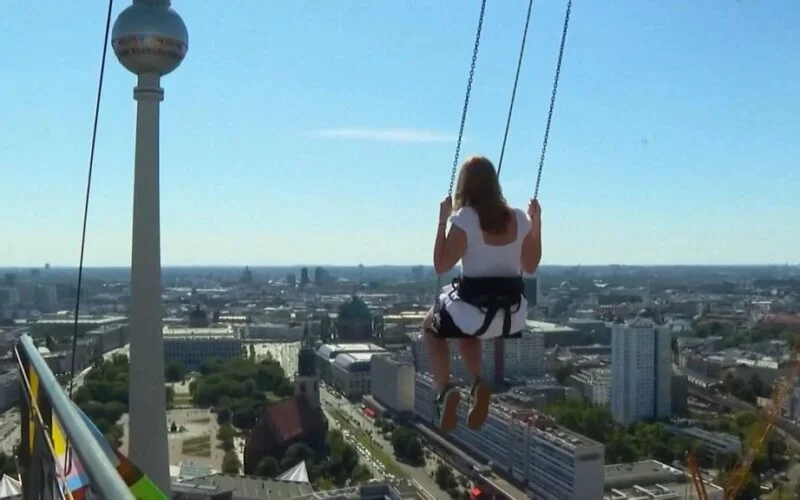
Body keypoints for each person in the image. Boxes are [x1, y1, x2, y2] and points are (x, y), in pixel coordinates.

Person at [422, 155, 542, 433]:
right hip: (511, 316)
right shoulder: (519, 218)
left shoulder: (466, 218)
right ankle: (477, 385)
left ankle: (444, 390)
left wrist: (442, 221)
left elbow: (441, 265)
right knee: (467, 330)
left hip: (474, 312)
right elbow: (531, 265)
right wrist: (536, 223)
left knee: (430, 326)